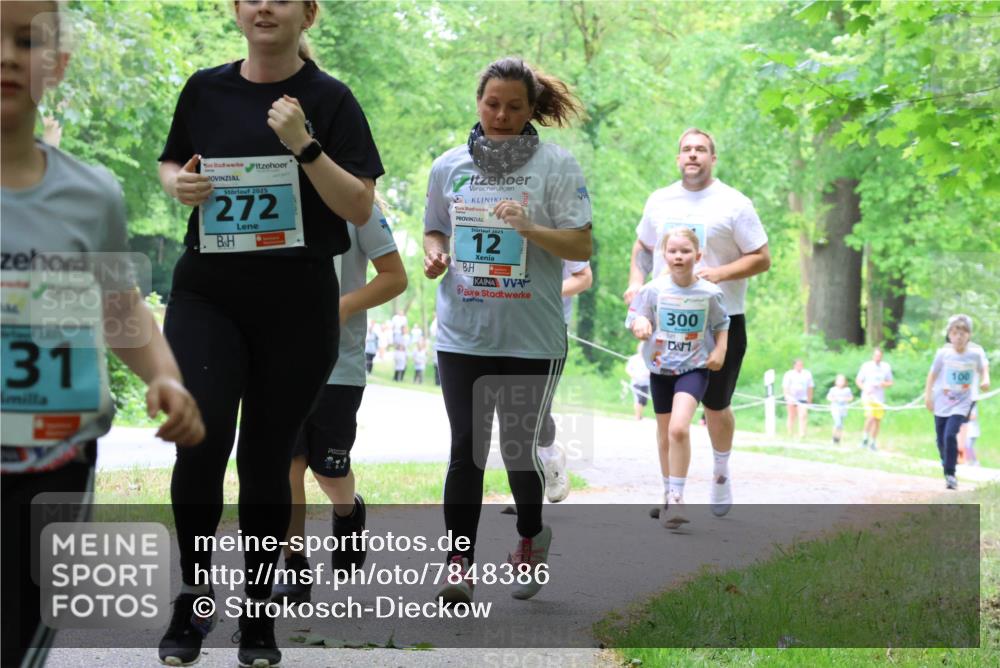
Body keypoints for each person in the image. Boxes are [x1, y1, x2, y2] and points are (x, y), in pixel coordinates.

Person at [155, 1, 384, 665]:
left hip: (297, 299)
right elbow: (171, 164)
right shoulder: (205, 88)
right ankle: (194, 603)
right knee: (200, 446)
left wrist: (305, 145)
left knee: (266, 460)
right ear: (235, 9)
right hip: (209, 296)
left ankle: (258, 616)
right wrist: (181, 186)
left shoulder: (330, 99)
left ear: (307, 13)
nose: (263, 6)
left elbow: (359, 204)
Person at [1, 3, 205, 665]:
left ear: (55, 67)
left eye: (26, 42)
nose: (7, 55)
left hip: (54, 460)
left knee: (18, 634)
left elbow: (119, 311)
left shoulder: (94, 196)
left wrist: (165, 376)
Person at [423, 56, 592, 604]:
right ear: (478, 101)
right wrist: (435, 253)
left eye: (514, 106)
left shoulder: (557, 166)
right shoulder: (449, 166)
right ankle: (459, 562)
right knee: (466, 449)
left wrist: (531, 227)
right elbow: (434, 229)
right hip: (462, 333)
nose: (500, 114)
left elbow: (582, 246)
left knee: (519, 450)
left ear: (531, 109)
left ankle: (529, 537)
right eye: (492, 103)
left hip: (531, 336)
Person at [624, 128, 769, 517]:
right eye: (686, 150)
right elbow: (643, 245)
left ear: (712, 158)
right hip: (665, 321)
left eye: (701, 150)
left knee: (716, 406)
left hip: (719, 320)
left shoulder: (734, 204)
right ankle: (671, 493)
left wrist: (718, 276)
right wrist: (637, 284)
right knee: (667, 418)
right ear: (678, 158)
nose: (693, 155)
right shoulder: (659, 200)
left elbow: (761, 257)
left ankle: (720, 472)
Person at [271, 203, 406, 604]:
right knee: (287, 466)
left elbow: (395, 277)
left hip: (339, 364)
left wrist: (343, 306)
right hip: (277, 361)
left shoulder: (357, 205)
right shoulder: (268, 190)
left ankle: (349, 511)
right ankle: (294, 564)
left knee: (328, 473)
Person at [626, 227, 729, 529]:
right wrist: (641, 323)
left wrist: (720, 350)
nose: (678, 256)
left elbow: (723, 323)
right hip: (660, 370)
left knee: (679, 429)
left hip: (694, 369)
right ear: (664, 255)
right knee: (664, 435)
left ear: (697, 256)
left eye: (685, 251)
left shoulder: (710, 293)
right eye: (672, 251)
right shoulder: (654, 290)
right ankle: (668, 495)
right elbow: (635, 316)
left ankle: (679, 496)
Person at [535, 259, 593, 503]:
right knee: (509, 410)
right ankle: (546, 461)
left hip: (547, 326)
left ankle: (547, 461)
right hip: (502, 326)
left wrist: (541, 290)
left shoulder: (561, 224)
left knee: (536, 408)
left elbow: (584, 278)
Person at [924, 315, 990, 489]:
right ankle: (946, 459)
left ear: (968, 335)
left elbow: (984, 367)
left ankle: (950, 474)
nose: (959, 337)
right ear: (949, 335)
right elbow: (932, 375)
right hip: (942, 401)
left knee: (950, 434)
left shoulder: (975, 353)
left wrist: (985, 380)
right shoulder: (943, 353)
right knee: (941, 440)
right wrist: (928, 396)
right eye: (955, 333)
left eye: (962, 333)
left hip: (962, 402)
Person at [856, 348, 893, 451]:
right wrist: (865, 388)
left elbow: (890, 382)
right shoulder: (866, 366)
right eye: (876, 356)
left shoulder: (886, 367)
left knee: (877, 420)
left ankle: (873, 442)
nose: (878, 358)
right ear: (872, 356)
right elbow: (858, 381)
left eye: (879, 356)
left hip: (879, 398)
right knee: (870, 416)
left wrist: (883, 384)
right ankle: (864, 438)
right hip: (868, 396)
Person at [782, 359, 814, 439]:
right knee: (791, 416)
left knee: (803, 415)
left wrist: (809, 399)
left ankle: (802, 434)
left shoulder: (807, 374)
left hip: (803, 398)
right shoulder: (789, 374)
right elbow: (785, 387)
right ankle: (790, 433)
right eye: (798, 365)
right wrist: (787, 397)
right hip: (791, 398)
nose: (800, 366)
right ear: (794, 365)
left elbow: (810, 387)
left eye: (801, 365)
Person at [626, 342, 652, 420]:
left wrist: (649, 373)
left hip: (646, 383)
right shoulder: (633, 358)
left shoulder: (649, 358)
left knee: (643, 401)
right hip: (636, 382)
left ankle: (640, 414)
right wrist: (633, 375)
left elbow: (652, 369)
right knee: (638, 399)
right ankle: (637, 416)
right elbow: (628, 369)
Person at [826, 374, 854, 444]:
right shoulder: (833, 389)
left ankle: (838, 439)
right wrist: (834, 399)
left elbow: (851, 398)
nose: (841, 382)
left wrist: (845, 399)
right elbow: (828, 397)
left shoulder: (847, 390)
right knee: (837, 423)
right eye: (839, 380)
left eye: (842, 380)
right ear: (836, 382)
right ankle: (834, 437)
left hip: (843, 409)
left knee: (841, 424)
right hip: (835, 408)